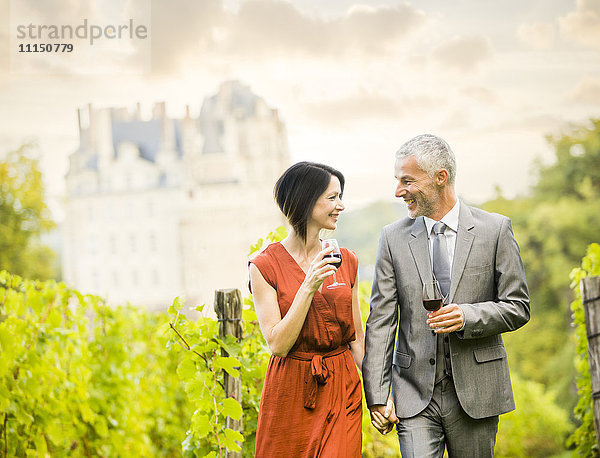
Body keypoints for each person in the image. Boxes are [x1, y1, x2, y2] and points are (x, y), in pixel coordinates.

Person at [362, 134, 530, 457]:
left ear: (441, 177)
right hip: (414, 395)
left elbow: (519, 306)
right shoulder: (392, 238)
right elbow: (381, 321)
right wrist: (379, 395)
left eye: (407, 180)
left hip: (477, 393)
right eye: (398, 181)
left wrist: (468, 316)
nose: (399, 191)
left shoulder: (495, 230)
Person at [249, 161, 364, 457]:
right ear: (305, 200)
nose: (340, 205)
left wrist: (380, 398)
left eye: (340, 196)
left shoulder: (346, 260)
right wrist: (308, 285)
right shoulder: (264, 266)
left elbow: (357, 341)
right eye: (332, 197)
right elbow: (277, 343)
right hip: (290, 391)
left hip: (341, 387)